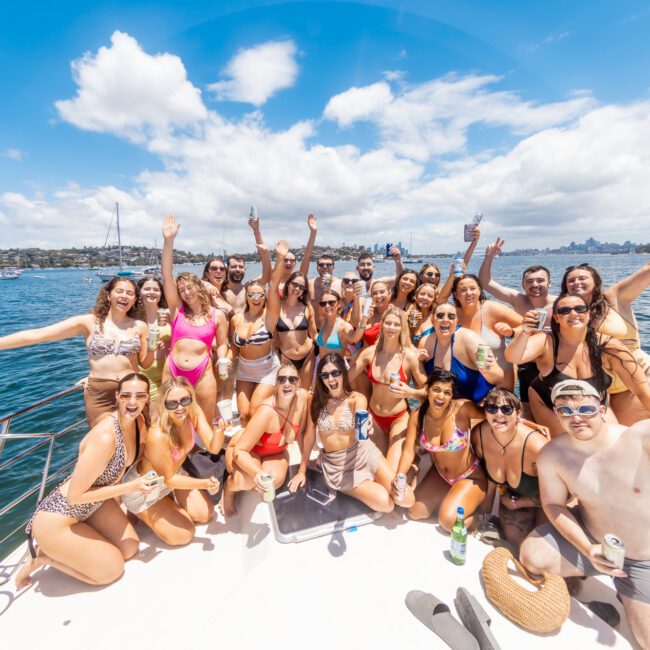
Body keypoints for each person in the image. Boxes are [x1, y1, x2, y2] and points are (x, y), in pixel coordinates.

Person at [519, 380, 650, 649]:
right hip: (595, 540)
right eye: (564, 411)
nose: (575, 418)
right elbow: (554, 506)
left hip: (643, 560)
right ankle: (591, 572)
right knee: (531, 555)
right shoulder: (552, 456)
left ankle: (626, 593)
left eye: (586, 409)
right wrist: (587, 547)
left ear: (602, 410)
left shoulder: (638, 438)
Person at [15, 373, 151, 588]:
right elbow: (75, 496)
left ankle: (83, 538)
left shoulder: (138, 422)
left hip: (94, 504)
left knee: (130, 548)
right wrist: (131, 486)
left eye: (139, 396)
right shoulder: (106, 436)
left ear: (146, 398)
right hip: (60, 515)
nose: (132, 402)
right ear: (117, 397)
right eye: (126, 396)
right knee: (112, 570)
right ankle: (42, 558)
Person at [0, 276, 153, 426]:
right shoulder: (88, 322)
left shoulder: (140, 326)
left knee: (140, 438)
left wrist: (153, 349)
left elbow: (144, 363)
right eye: (119, 291)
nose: (124, 296)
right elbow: (38, 335)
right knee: (106, 439)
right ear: (108, 296)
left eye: (130, 293)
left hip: (134, 389)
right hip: (100, 394)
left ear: (134, 300)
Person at [505, 293, 650, 436]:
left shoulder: (609, 346)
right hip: (548, 401)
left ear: (589, 314)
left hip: (593, 404)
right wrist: (525, 331)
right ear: (556, 317)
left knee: (613, 443)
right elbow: (513, 357)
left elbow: (642, 389)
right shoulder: (546, 341)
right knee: (566, 447)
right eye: (564, 311)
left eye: (580, 309)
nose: (573, 313)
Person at [289, 353, 394, 513]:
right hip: (337, 466)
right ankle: (345, 485)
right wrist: (302, 471)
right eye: (325, 375)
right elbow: (309, 436)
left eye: (335, 373)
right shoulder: (315, 401)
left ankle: (367, 481)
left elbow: (362, 427)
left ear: (343, 374)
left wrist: (367, 426)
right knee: (386, 504)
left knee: (406, 499)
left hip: (363, 453)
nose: (331, 379)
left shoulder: (356, 399)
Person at [121, 378, 223, 544]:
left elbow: (213, 447)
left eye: (185, 400)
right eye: (172, 404)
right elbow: (168, 479)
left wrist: (219, 430)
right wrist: (205, 484)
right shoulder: (158, 435)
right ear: (163, 405)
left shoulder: (193, 412)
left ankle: (167, 504)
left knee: (205, 515)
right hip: (145, 489)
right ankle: (138, 511)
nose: (180, 407)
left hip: (172, 477)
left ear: (191, 397)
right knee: (185, 534)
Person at [396, 370, 487, 529]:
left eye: (447, 392)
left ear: (452, 395)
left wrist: (528, 424)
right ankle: (453, 499)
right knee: (415, 511)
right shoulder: (418, 416)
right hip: (440, 476)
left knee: (448, 523)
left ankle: (481, 518)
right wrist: (399, 477)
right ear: (427, 390)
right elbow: (408, 451)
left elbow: (494, 417)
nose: (440, 397)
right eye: (436, 390)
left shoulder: (462, 409)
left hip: (469, 477)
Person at [561, 262, 650, 424]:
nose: (576, 283)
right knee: (622, 441)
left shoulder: (614, 298)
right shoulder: (564, 312)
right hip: (602, 389)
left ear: (596, 282)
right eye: (571, 280)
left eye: (582, 278)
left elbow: (647, 271)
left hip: (640, 377)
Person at [161, 215, 229, 423]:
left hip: (203, 372)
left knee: (203, 421)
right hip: (173, 369)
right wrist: (168, 241)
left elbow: (223, 343)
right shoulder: (177, 310)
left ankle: (200, 454)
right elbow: (166, 274)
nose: (186, 292)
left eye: (189, 287)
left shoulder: (217, 315)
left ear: (199, 287)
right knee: (171, 421)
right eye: (181, 290)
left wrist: (224, 357)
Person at [479, 237, 557, 410]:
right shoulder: (518, 300)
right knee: (527, 408)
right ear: (522, 284)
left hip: (555, 365)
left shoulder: (560, 304)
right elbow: (486, 283)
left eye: (540, 281)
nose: (535, 285)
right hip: (526, 365)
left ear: (549, 283)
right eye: (529, 282)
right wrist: (489, 257)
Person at [223, 363, 309, 515]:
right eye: (282, 379)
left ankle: (257, 474)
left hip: (276, 452)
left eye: (292, 380)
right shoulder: (266, 412)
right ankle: (228, 489)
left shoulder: (303, 398)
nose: (287, 383)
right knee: (246, 481)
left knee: (272, 483)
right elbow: (240, 450)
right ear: (276, 384)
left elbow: (304, 434)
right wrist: (257, 473)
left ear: (299, 383)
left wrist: (302, 470)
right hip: (247, 452)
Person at [348, 307, 427, 470]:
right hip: (374, 418)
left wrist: (410, 392)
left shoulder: (410, 357)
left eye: (396, 324)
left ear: (403, 328)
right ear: (382, 325)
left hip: (399, 419)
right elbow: (345, 379)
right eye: (388, 323)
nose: (391, 327)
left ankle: (412, 461)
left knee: (390, 471)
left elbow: (428, 392)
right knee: (369, 467)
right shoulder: (370, 353)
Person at [472, 387, 549, 548]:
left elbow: (563, 496)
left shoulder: (537, 448)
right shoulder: (479, 436)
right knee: (513, 541)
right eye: (492, 408)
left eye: (506, 409)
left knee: (535, 549)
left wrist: (517, 503)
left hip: (545, 503)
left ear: (518, 414)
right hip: (511, 495)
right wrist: (483, 519)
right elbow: (490, 483)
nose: (498, 414)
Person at [452, 273, 522, 390]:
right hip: (469, 383)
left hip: (500, 382)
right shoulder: (452, 315)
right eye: (463, 290)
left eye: (473, 288)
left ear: (479, 290)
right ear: (456, 294)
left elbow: (528, 326)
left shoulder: (492, 309)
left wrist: (512, 332)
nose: (469, 293)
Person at [421, 303, 503, 401]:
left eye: (451, 317)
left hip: (473, 406)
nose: (445, 319)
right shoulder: (425, 342)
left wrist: (486, 370)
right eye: (440, 316)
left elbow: (499, 378)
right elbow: (423, 384)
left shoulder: (470, 339)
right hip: (440, 405)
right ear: (432, 319)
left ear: (456, 321)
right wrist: (418, 361)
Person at [231, 270, 280, 424]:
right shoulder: (236, 319)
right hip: (244, 369)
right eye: (251, 294)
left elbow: (273, 286)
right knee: (244, 414)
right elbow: (233, 348)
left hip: (267, 369)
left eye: (260, 294)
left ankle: (257, 445)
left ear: (265, 297)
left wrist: (279, 258)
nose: (256, 298)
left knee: (255, 411)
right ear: (246, 297)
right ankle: (249, 446)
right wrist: (226, 359)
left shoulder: (269, 317)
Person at [272, 242, 317, 384]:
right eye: (295, 284)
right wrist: (280, 257)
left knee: (305, 392)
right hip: (285, 357)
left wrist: (328, 349)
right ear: (288, 284)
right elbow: (273, 337)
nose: (297, 288)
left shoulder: (307, 308)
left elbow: (314, 334)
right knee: (286, 394)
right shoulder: (276, 308)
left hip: (308, 356)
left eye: (301, 287)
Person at [223, 212, 272, 313]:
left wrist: (256, 230)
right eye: (233, 266)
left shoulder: (249, 288)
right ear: (227, 268)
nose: (237, 269)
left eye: (241, 267)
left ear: (244, 270)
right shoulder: (219, 290)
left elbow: (267, 272)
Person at [137, 276, 171, 416]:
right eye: (147, 289)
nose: (152, 292)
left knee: (167, 418)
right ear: (139, 292)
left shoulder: (168, 314)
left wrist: (169, 342)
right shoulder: (133, 318)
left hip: (168, 374)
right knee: (150, 419)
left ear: (161, 293)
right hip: (144, 376)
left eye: (156, 289)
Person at [315, 289, 368, 358]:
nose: (327, 306)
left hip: (336, 367)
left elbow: (355, 339)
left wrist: (364, 320)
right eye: (323, 303)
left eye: (331, 303)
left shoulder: (344, 326)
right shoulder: (323, 321)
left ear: (339, 304)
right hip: (320, 365)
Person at [276, 213, 318, 294]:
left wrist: (313, 232)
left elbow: (307, 257)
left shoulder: (298, 278)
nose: (288, 262)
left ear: (295, 263)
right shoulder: (274, 278)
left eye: (292, 260)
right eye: (286, 260)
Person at [309, 254, 342, 327]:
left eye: (328, 265)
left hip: (335, 329)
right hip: (315, 330)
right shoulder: (310, 284)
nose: (325, 267)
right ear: (317, 267)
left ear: (333, 267)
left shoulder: (341, 284)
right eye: (321, 265)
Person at [362, 280, 391, 347]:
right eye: (375, 293)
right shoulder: (368, 312)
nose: (378, 296)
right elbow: (358, 337)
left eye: (382, 292)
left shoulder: (397, 314)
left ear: (389, 293)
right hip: (366, 353)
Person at [408, 282, 438, 348]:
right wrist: (410, 325)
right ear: (416, 296)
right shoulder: (408, 315)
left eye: (430, 296)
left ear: (434, 300)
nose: (425, 298)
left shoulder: (436, 317)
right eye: (422, 294)